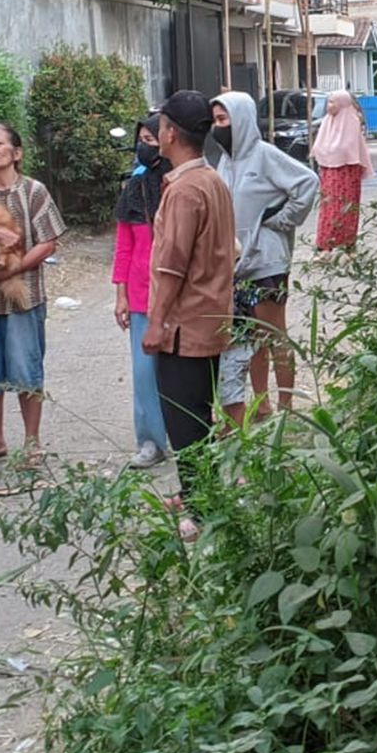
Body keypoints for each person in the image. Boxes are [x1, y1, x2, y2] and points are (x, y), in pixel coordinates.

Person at [142, 91, 235, 542]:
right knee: (199, 413)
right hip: (212, 317)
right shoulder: (212, 179)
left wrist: (156, 322)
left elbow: (171, 264)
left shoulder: (184, 189)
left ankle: (200, 509)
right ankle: (198, 492)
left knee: (186, 423)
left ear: (172, 133)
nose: (155, 133)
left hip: (185, 325)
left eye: (159, 126)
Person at [0, 122, 65, 470]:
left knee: (26, 369)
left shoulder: (33, 191)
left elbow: (48, 241)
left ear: (15, 153)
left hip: (24, 297)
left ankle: (32, 443)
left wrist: (12, 269)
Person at [210, 92, 319, 425]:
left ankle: (287, 406)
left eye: (222, 120)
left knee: (274, 334)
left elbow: (308, 183)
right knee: (249, 336)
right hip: (237, 264)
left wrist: (281, 220)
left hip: (268, 262)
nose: (217, 127)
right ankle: (261, 404)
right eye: (214, 121)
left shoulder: (265, 156)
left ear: (240, 119)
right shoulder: (224, 162)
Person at [113, 115, 170, 469]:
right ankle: (150, 440)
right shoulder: (133, 187)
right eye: (141, 139)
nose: (144, 145)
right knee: (144, 372)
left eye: (152, 138)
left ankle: (194, 435)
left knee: (183, 370)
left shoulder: (183, 183)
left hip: (180, 292)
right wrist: (120, 294)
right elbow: (123, 246)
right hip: (139, 294)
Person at [312, 89, 375, 252]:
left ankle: (347, 244)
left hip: (346, 174)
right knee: (328, 208)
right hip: (329, 173)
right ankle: (325, 244)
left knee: (345, 210)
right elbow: (318, 147)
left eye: (333, 102)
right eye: (329, 101)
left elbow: (348, 149)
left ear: (342, 104)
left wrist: (331, 152)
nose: (329, 106)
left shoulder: (351, 122)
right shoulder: (327, 122)